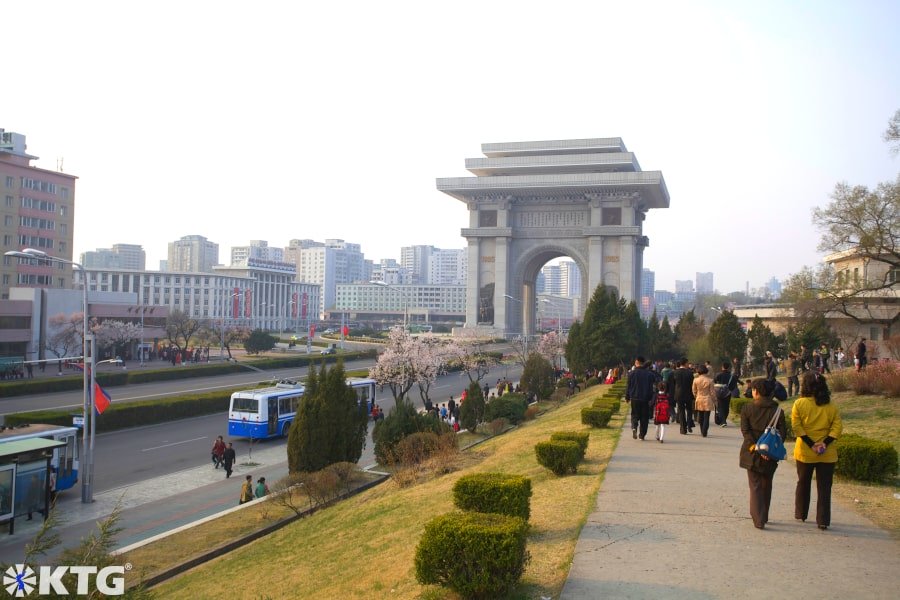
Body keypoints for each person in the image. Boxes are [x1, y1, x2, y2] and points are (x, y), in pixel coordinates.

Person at [792, 371, 843, 530]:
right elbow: (837, 427)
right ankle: (823, 520)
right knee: (825, 487)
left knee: (803, 482)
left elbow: (796, 426)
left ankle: (801, 513)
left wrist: (811, 444)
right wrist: (824, 444)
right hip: (826, 454)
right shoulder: (831, 406)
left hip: (805, 452)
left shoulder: (799, 404)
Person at [739, 378, 787, 529]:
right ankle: (764, 515)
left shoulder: (747, 408)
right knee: (767, 484)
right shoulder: (778, 411)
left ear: (756, 391)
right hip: (770, 454)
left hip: (751, 452)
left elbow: (745, 431)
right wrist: (768, 451)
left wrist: (756, 447)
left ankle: (758, 520)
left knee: (755, 486)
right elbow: (782, 434)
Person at [625, 356, 657, 441]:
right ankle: (642, 434)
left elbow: (628, 387)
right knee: (644, 417)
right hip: (645, 398)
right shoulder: (650, 374)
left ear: (636, 362)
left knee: (634, 414)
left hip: (634, 397)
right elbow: (653, 386)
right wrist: (651, 397)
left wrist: (627, 397)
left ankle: (634, 427)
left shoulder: (631, 373)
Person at [691, 365, 716, 437]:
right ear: (706, 371)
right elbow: (712, 392)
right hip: (708, 399)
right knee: (706, 417)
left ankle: (702, 430)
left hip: (699, 398)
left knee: (701, 416)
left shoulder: (695, 380)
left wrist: (696, 396)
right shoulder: (710, 380)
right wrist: (715, 400)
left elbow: (694, 390)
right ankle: (705, 432)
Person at [672, 358, 696, 434]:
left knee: (681, 411)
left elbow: (674, 383)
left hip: (679, 394)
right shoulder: (690, 373)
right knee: (689, 410)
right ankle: (689, 425)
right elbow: (692, 384)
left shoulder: (675, 372)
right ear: (685, 363)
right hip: (688, 394)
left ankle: (683, 429)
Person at [713, 362, 738, 427]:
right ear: (728, 367)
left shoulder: (718, 374)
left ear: (722, 367)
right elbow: (733, 385)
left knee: (720, 406)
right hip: (727, 393)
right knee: (726, 407)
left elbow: (714, 381)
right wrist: (730, 389)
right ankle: (724, 420)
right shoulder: (731, 376)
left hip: (718, 392)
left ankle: (723, 421)